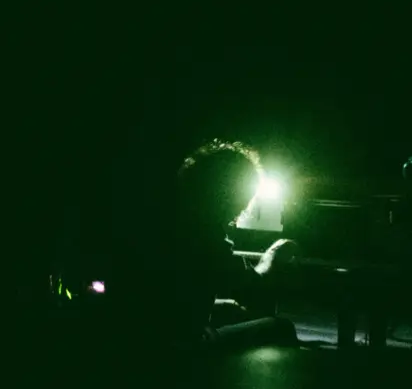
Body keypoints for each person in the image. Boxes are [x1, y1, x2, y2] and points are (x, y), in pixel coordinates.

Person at [111, 139, 298, 347]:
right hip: (183, 345)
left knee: (229, 310)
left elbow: (168, 299)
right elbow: (251, 288)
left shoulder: (164, 221)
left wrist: (216, 305)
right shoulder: (206, 235)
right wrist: (271, 257)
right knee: (281, 327)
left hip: (140, 334)